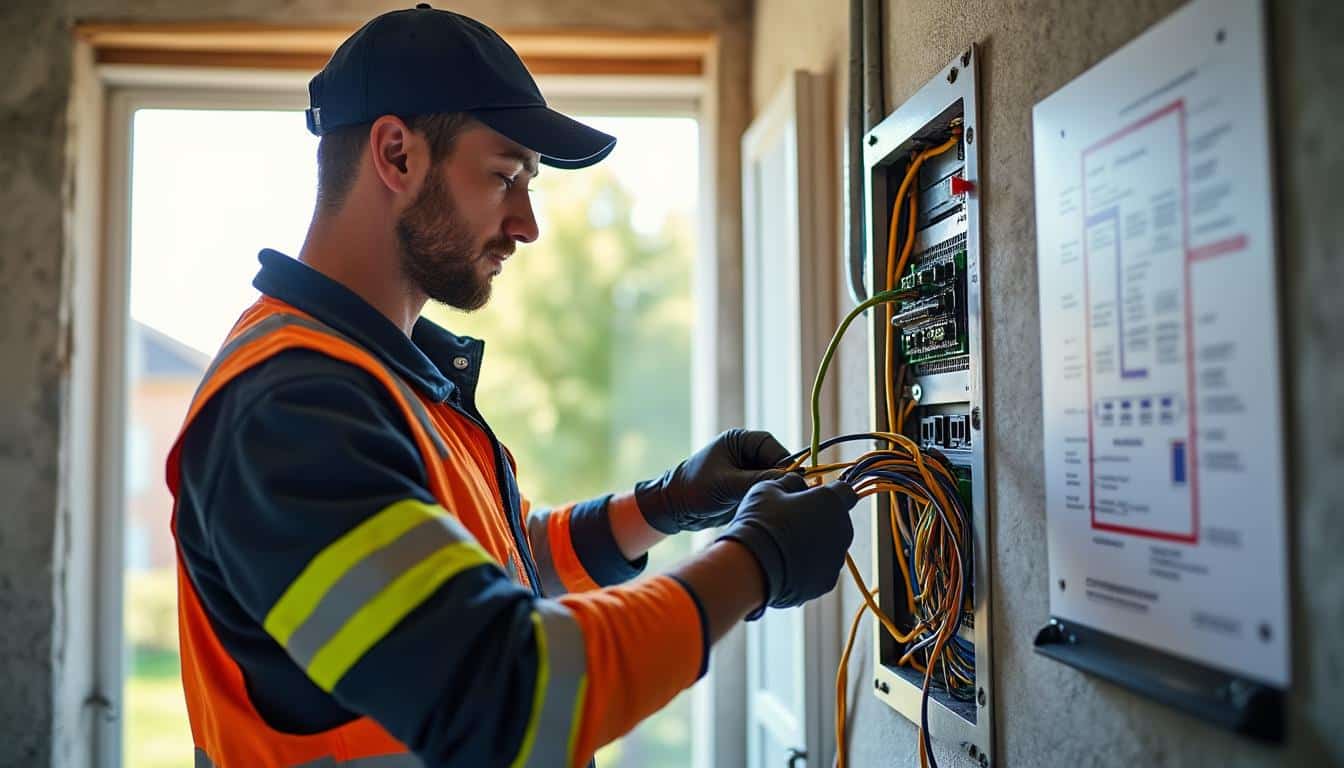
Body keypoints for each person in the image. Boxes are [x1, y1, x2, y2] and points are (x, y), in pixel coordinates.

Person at [167, 5, 859, 767]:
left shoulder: (383, 377)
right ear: (396, 154)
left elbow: (501, 564)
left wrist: (668, 503)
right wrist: (755, 564)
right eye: (504, 177)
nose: (527, 224)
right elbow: (506, 695)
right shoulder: (288, 412)